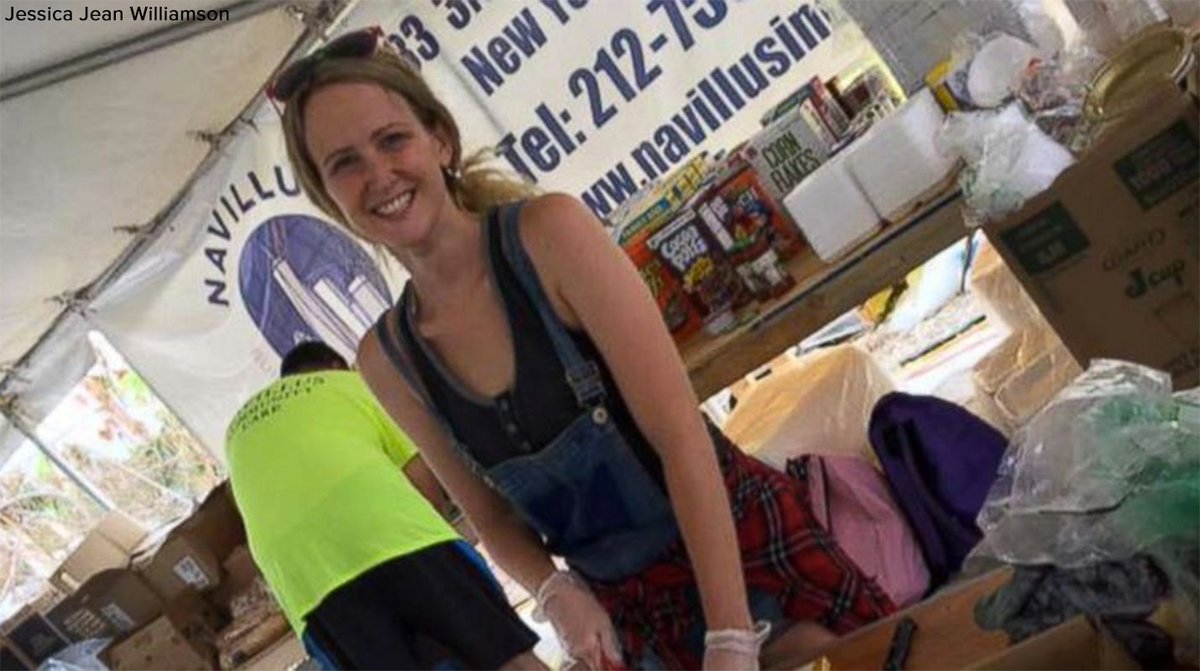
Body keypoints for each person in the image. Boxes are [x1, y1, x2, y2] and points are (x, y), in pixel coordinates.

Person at [275, 27, 895, 670]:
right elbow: (489, 515)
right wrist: (552, 588)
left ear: (440, 140)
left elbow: (681, 438)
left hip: (739, 551)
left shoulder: (550, 236)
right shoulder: (387, 360)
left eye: (392, 140)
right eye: (344, 163)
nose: (379, 174)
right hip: (634, 614)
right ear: (328, 196)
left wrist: (731, 636)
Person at [224, 340, 544, 670]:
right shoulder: (349, 384)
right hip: (391, 535)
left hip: (305, 586)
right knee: (504, 655)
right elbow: (426, 485)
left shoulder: (236, 433)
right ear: (336, 366)